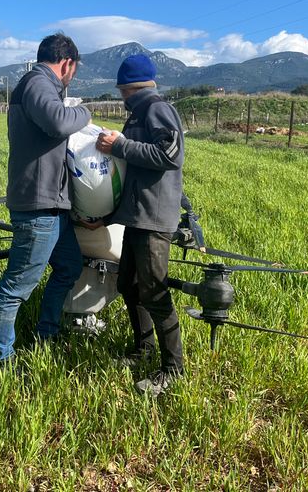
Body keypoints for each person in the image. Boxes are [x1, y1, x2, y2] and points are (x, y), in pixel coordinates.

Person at [0, 33, 91, 364]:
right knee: (16, 287)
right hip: (38, 206)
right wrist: (85, 112)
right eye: (74, 70)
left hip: (53, 205)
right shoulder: (37, 83)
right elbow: (58, 122)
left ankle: (47, 333)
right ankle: (2, 359)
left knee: (69, 266)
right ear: (67, 64)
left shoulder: (43, 85)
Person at [96, 54, 185, 396]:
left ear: (126, 87)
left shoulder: (156, 108)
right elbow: (133, 174)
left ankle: (173, 370)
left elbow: (170, 156)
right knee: (129, 286)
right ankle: (144, 349)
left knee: (155, 292)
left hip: (153, 219)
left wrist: (121, 144)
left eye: (121, 90)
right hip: (137, 217)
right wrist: (105, 218)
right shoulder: (139, 112)